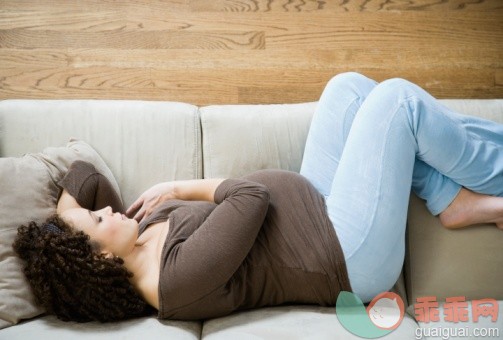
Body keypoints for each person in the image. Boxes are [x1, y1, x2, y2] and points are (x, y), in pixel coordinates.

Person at [13, 72, 503, 323]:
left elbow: (84, 176)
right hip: (348, 254)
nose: (105, 209)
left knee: (348, 89)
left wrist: (69, 216)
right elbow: (252, 198)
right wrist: (181, 186)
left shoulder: (132, 236)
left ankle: (448, 197)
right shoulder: (176, 283)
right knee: (397, 101)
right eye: (98, 222)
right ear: (101, 261)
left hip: (321, 204)